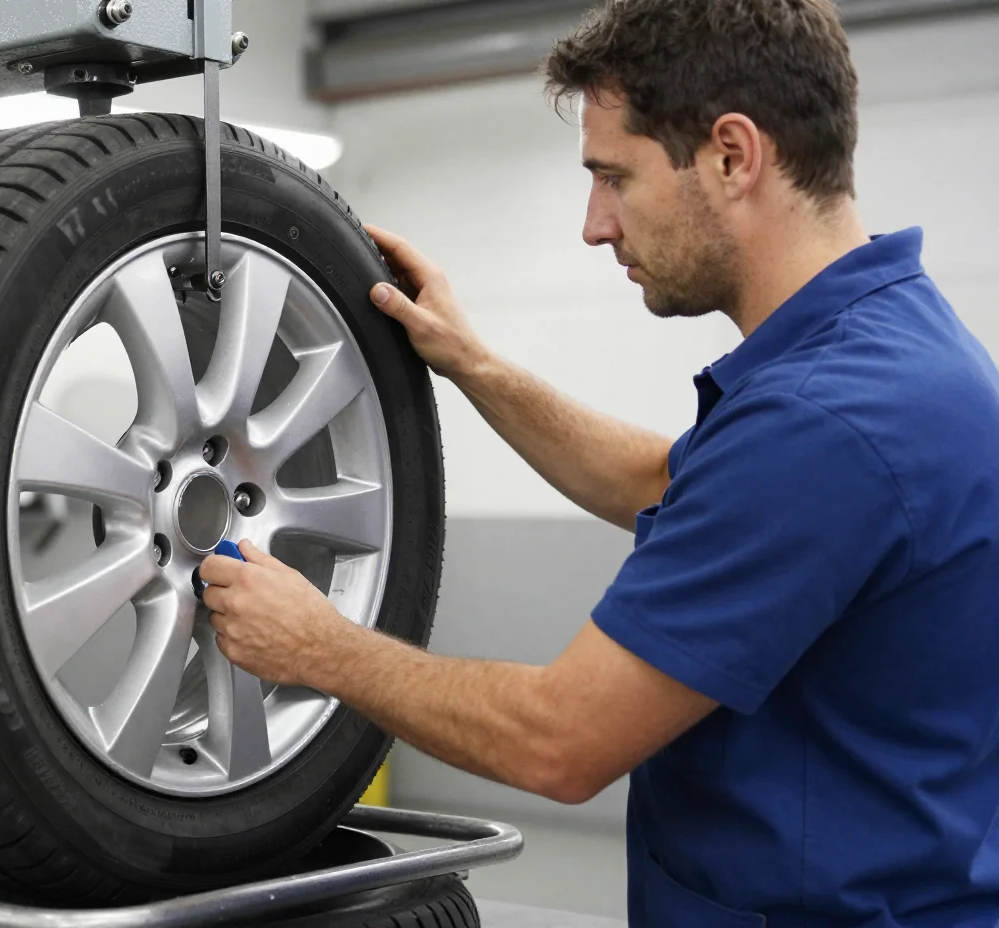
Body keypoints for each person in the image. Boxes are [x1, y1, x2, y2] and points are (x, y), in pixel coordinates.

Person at [197, 0, 999, 924]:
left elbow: (558, 741)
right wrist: (478, 366)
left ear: (733, 156)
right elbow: (667, 483)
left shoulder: (828, 422)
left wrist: (320, 647)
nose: (595, 225)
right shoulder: (888, 351)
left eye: (614, 176)